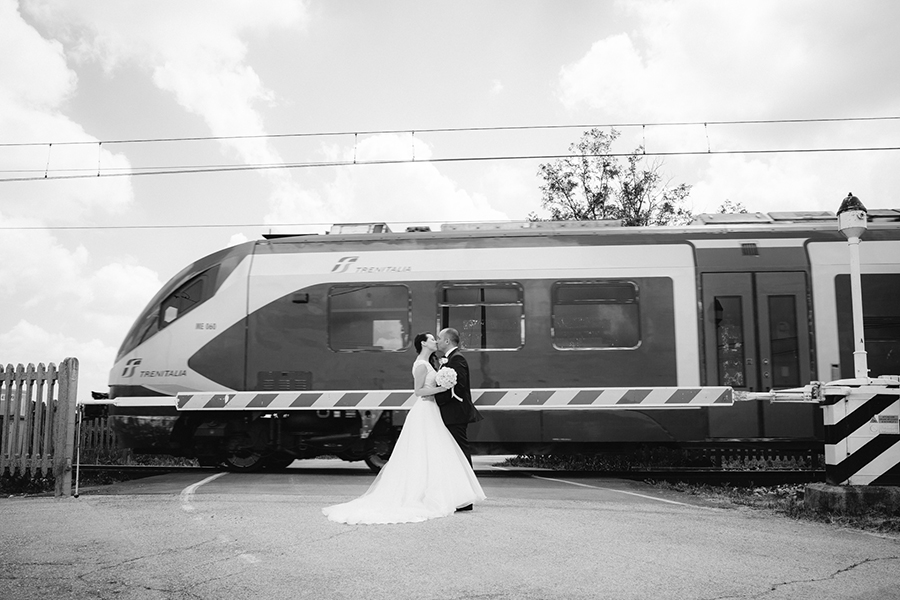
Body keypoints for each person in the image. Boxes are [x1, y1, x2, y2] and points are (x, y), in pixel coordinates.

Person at [322, 332, 485, 524]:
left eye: (437, 338)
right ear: (424, 343)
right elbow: (418, 392)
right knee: (432, 452)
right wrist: (441, 389)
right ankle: (446, 495)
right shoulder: (421, 365)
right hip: (426, 410)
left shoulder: (437, 362)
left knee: (437, 453)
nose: (436, 341)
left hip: (434, 411)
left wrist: (442, 388)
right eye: (432, 339)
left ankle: (449, 494)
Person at [434, 327, 484, 511]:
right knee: (456, 455)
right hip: (452, 415)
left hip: (455, 415)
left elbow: (459, 388)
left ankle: (465, 499)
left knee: (461, 455)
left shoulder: (457, 360)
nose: (438, 341)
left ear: (447, 341)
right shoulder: (452, 359)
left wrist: (437, 398)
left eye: (439, 338)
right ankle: (460, 497)